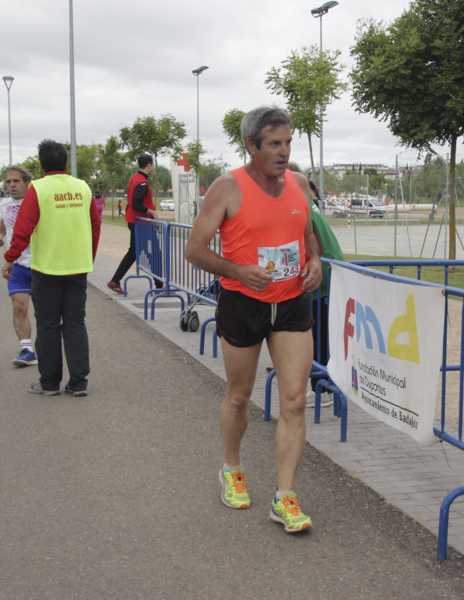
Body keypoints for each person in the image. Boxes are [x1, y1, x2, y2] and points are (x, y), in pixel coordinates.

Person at [186, 106, 321, 534]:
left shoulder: (299, 183)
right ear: (252, 146)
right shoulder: (227, 188)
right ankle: (232, 469)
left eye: (288, 143)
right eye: (274, 144)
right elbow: (194, 249)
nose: (284, 152)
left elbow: (306, 232)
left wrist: (315, 259)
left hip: (291, 303)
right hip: (244, 303)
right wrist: (236, 270)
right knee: (240, 396)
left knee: (295, 401)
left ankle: (284, 497)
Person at [2, 140, 101, 396]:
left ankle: (49, 383)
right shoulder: (82, 188)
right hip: (78, 268)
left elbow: (23, 229)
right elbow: (95, 223)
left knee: (47, 325)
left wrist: (10, 258)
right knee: (75, 324)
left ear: (41, 163)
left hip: (47, 269)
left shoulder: (38, 189)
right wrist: (88, 256)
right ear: (65, 162)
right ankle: (79, 382)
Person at [289, 162, 341, 409]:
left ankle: (322, 388)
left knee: (317, 335)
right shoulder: (308, 205)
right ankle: (320, 385)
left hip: (323, 276)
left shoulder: (301, 209)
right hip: (329, 273)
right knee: (318, 332)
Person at [0, 166, 38, 367]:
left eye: (16, 181)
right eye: (8, 182)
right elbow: (4, 223)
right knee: (19, 306)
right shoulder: (5, 203)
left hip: (39, 263)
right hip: (17, 263)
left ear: (26, 182)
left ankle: (50, 348)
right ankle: (27, 350)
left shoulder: (36, 200)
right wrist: (0, 235)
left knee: (46, 312)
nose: (11, 185)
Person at [107, 155, 161, 294]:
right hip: (141, 221)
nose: (152, 168)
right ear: (149, 165)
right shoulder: (142, 182)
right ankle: (159, 287)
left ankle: (116, 280)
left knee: (139, 252)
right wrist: (152, 212)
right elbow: (136, 203)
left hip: (135, 221)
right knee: (153, 252)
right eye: (152, 165)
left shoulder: (134, 179)